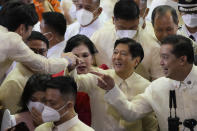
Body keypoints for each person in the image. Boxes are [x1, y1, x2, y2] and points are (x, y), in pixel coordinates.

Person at [96, 35, 197, 131]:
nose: (161, 63)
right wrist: (112, 90)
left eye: (165, 57)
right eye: (161, 57)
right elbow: (131, 113)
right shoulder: (157, 87)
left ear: (182, 60)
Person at [68, 38, 158, 131]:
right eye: (115, 52)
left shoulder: (146, 86)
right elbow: (76, 83)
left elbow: (149, 123)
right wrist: (70, 66)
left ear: (136, 60)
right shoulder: (100, 76)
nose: (117, 57)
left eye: (123, 54)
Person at [0, 1, 78, 85]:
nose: (32, 33)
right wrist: (67, 60)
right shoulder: (12, 39)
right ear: (22, 28)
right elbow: (45, 66)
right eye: (31, 29)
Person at [91, 0, 163, 81]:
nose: (127, 32)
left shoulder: (153, 46)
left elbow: (157, 81)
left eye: (132, 28)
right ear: (113, 20)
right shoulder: (98, 38)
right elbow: (89, 67)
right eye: (122, 28)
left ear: (138, 20)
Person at [0, 31, 49, 114]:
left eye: (41, 51)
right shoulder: (14, 83)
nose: (37, 56)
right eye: (32, 52)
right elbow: (12, 122)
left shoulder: (45, 73)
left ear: (47, 52)